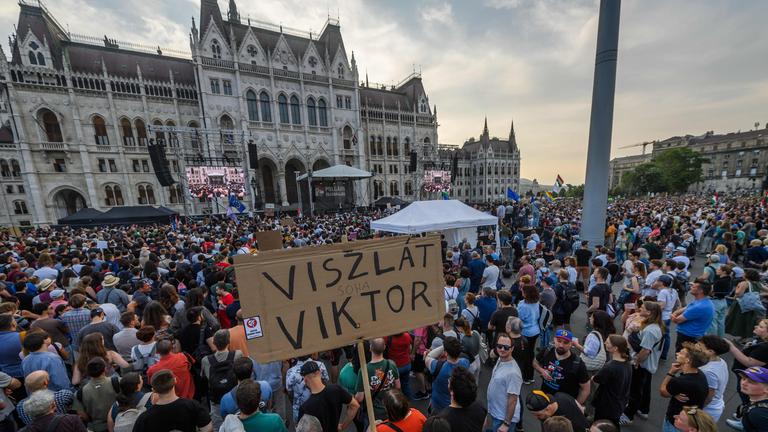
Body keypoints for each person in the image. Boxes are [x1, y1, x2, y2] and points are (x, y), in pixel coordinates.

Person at [621, 301, 664, 425]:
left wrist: (636, 361)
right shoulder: (655, 326)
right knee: (643, 387)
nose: (640, 308)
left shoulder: (651, 330)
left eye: (643, 308)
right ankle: (643, 409)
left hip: (642, 364)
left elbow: (645, 350)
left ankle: (628, 415)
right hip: (646, 365)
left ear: (649, 312)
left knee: (635, 389)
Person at [132, 369, 213, 432]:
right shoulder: (193, 406)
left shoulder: (144, 418)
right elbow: (208, 429)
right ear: (175, 381)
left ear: (153, 390)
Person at [660, 342, 710, 432]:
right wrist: (674, 393)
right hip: (690, 423)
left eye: (681, 353)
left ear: (688, 360)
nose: (677, 353)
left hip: (675, 424)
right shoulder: (701, 375)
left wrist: (670, 373)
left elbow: (663, 392)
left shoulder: (679, 381)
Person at [299, 360, 359, 432]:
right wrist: (343, 426)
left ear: (305, 380)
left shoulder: (305, 408)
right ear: (319, 373)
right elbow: (355, 405)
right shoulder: (336, 390)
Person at [533, 329, 590, 405]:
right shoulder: (547, 351)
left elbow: (586, 389)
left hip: (563, 405)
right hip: (545, 399)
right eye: (559, 341)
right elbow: (535, 362)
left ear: (571, 344)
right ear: (554, 340)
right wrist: (542, 371)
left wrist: (575, 406)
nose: (561, 345)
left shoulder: (578, 363)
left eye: (566, 342)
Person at [201, 329, 242, 430]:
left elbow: (205, 378)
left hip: (216, 401)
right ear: (228, 342)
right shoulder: (237, 355)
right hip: (234, 399)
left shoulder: (206, 360)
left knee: (218, 427)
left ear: (214, 343)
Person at [591, 335, 632, 429]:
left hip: (606, 405)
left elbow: (596, 379)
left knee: (601, 426)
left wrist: (593, 377)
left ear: (615, 348)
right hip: (619, 404)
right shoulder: (627, 362)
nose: (605, 343)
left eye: (608, 342)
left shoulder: (610, 367)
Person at [486, 332, 523, 432]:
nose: (502, 349)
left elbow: (513, 399)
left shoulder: (513, 373)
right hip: (497, 412)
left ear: (512, 348)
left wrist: (506, 424)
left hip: (503, 418)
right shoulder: (501, 359)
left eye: (506, 347)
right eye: (499, 346)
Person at [425, 336, 469, 414]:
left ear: (445, 353)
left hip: (439, 406)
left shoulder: (437, 366)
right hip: (456, 404)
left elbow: (428, 357)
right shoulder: (465, 362)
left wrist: (444, 346)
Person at [73, 357, 118, 432]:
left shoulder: (79, 393)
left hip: (96, 428)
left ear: (88, 372)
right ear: (105, 369)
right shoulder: (116, 382)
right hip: (117, 423)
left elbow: (82, 414)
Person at [437, 366, 487, 432]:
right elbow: (483, 426)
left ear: (452, 392)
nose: (448, 379)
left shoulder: (442, 420)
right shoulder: (480, 407)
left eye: (450, 380)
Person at [671, 279, 714, 352]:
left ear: (701, 291)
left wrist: (672, 315)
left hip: (688, 336)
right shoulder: (703, 301)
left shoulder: (698, 307)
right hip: (695, 334)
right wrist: (676, 313)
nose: (691, 288)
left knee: (682, 356)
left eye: (693, 287)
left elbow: (677, 320)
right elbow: (687, 307)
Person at [287, 355, 330, 423]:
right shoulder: (320, 365)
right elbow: (326, 382)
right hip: (320, 406)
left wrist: (296, 404)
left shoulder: (290, 372)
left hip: (300, 410)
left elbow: (289, 392)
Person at [726, 269, 765, 340]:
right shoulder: (757, 283)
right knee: (747, 322)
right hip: (752, 305)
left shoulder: (744, 283)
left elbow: (739, 294)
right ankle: (744, 338)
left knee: (738, 320)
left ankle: (740, 337)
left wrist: (737, 287)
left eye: (744, 273)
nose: (743, 274)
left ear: (747, 275)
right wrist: (759, 294)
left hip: (741, 305)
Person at [726, 366, 768, 432]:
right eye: (743, 378)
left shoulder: (757, 414)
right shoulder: (757, 399)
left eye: (751, 382)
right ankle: (744, 422)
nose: (743, 383)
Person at [516, 284, 541, 384]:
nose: (521, 292)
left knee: (524, 356)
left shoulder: (524, 306)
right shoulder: (536, 303)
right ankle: (530, 376)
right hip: (535, 330)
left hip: (526, 332)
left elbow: (519, 318)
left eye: (523, 291)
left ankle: (525, 377)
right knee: (530, 354)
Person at [385, 331, 413, 399]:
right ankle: (409, 402)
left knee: (396, 387)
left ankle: (398, 403)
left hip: (395, 367)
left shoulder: (387, 337)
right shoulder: (407, 336)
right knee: (406, 384)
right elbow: (410, 346)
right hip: (407, 364)